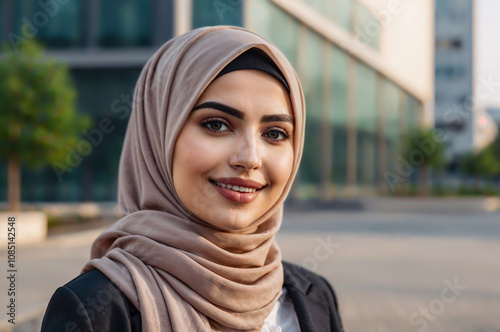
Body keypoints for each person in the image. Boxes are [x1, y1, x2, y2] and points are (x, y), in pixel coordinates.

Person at [41, 26, 343, 332]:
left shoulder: (314, 298)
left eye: (275, 133)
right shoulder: (95, 311)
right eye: (216, 124)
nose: (250, 158)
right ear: (159, 135)